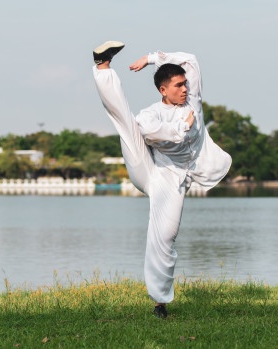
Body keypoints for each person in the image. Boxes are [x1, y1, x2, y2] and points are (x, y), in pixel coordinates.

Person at [92, 41, 231, 318]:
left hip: (173, 178)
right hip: (149, 168)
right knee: (128, 126)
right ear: (162, 90)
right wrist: (183, 126)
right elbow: (150, 131)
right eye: (178, 86)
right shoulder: (152, 113)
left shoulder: (193, 101)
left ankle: (159, 303)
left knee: (166, 235)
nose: (185, 89)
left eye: (185, 84)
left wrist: (152, 57)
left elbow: (191, 59)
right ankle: (102, 67)